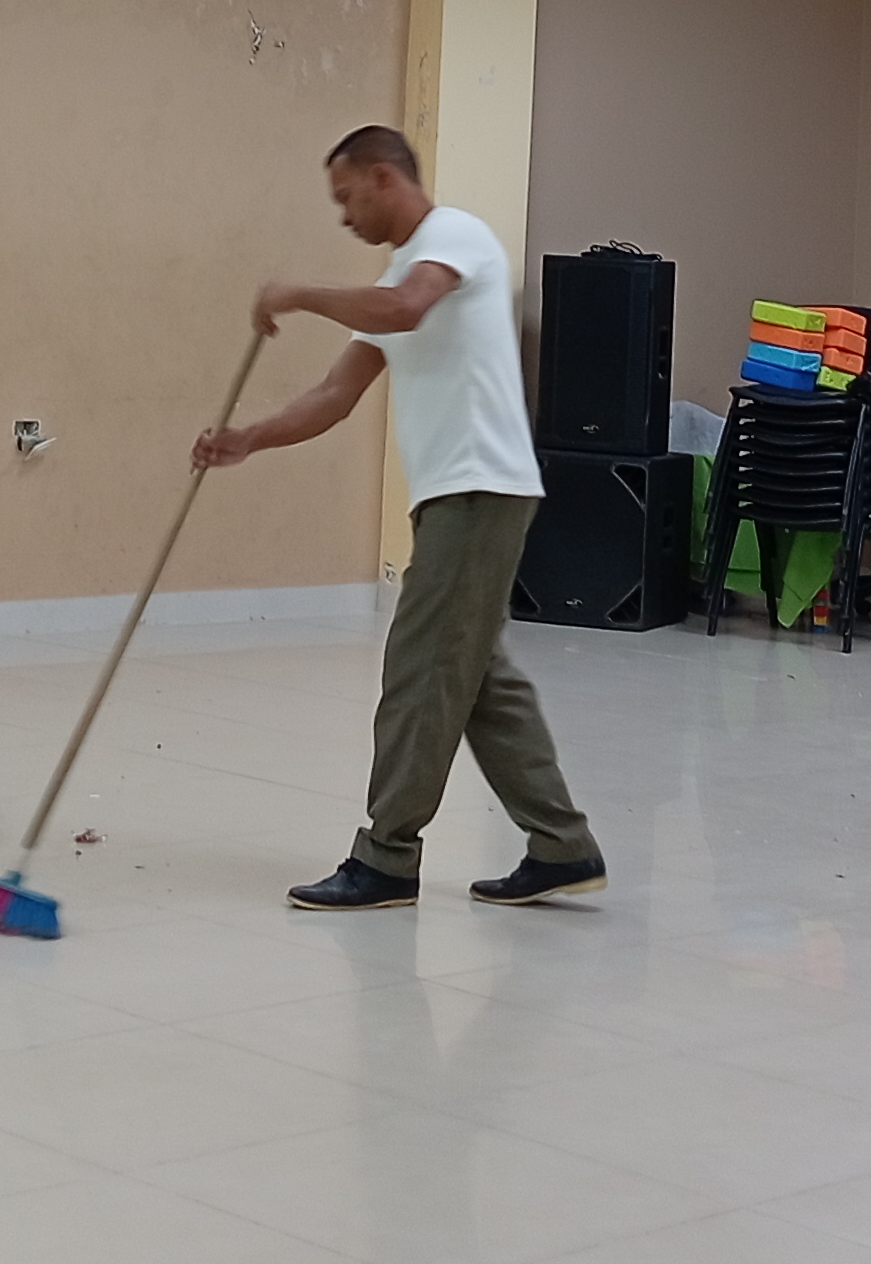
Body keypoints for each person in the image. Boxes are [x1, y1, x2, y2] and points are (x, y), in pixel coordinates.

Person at [195, 124, 604, 911]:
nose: (345, 217)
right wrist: (247, 439)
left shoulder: (454, 238)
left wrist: (299, 294)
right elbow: (335, 394)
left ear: (384, 177)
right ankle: (563, 846)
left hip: (480, 490)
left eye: (347, 197)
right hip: (457, 496)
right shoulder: (391, 281)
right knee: (477, 677)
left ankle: (386, 857)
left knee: (421, 667)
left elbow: (409, 308)